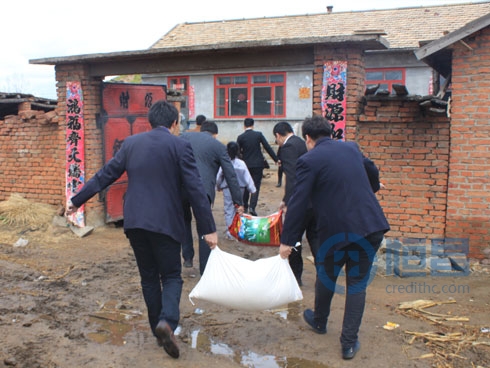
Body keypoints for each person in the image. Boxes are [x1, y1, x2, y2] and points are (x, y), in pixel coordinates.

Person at [65, 100, 218, 360]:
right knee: (171, 276)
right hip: (166, 223)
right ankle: (167, 323)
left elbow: (105, 175)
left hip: (134, 222)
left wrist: (76, 200)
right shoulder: (180, 144)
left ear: (150, 121)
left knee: (149, 278)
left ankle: (157, 327)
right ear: (174, 123)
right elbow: (195, 188)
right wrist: (208, 229)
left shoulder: (132, 143)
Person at [278, 115, 389, 360]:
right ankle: (348, 344)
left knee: (327, 274)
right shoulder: (350, 147)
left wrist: (287, 241)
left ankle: (319, 321)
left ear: (308, 138)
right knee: (357, 284)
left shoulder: (308, 160)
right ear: (330, 133)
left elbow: (297, 202)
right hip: (371, 226)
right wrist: (373, 187)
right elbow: (371, 169)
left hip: (337, 231)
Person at [181, 121, 244, 274]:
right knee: (205, 227)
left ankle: (188, 257)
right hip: (203, 190)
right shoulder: (218, 146)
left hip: (181, 187)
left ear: (201, 129)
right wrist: (238, 201)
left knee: (184, 221)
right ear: (215, 134)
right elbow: (230, 175)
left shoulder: (183, 138)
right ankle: (205, 269)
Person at [272, 121, 318, 286]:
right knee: (315, 238)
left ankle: (295, 278)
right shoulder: (301, 142)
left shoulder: (288, 147)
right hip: (314, 201)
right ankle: (323, 276)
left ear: (278, 135)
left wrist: (289, 201)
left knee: (294, 239)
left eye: (276, 139)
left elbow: (292, 177)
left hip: (300, 202)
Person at [236, 117, 278, 216]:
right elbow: (267, 147)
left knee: (246, 184)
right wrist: (275, 159)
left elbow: (237, 152)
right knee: (256, 185)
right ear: (253, 125)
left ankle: (245, 205)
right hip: (258, 164)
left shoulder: (240, 137)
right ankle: (252, 207)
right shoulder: (258, 135)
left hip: (246, 165)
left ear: (244, 126)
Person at [216, 141, 256, 240]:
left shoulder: (225, 163)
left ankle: (231, 232)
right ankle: (238, 230)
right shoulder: (241, 163)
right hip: (240, 189)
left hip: (227, 188)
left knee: (229, 209)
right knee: (238, 209)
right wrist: (252, 189)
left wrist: (218, 186)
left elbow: (218, 177)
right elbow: (248, 178)